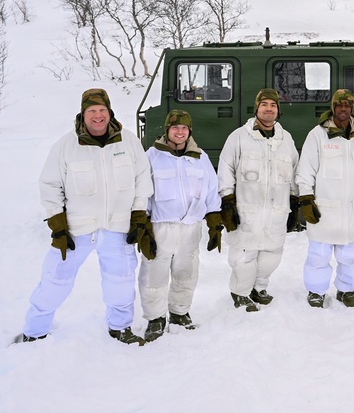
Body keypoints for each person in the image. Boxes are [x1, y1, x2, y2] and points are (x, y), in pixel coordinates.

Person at [19, 88, 154, 345]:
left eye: (102, 110)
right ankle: (34, 330)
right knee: (55, 279)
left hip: (118, 227)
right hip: (76, 230)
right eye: (92, 111)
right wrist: (58, 226)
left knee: (121, 281)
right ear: (83, 114)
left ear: (109, 112)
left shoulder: (128, 142)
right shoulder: (66, 145)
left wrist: (138, 216)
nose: (98, 115)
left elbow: (141, 180)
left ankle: (120, 327)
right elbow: (50, 185)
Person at [138, 110, 223, 341]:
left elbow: (211, 189)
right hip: (160, 227)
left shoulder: (200, 157)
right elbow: (142, 192)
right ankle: (155, 318)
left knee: (186, 273)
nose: (179, 132)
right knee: (154, 275)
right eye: (175, 127)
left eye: (184, 128)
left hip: (190, 227)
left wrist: (214, 220)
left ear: (189, 131)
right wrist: (142, 225)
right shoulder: (151, 157)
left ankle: (179, 313)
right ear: (167, 130)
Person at [217, 88, 299, 312]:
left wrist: (295, 200)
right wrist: (227, 201)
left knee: (271, 255)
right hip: (247, 211)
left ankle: (259, 287)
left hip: (276, 211)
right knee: (244, 257)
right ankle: (240, 292)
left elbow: (293, 170)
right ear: (257, 108)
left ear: (278, 111)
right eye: (265, 105)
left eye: (273, 106)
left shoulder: (286, 140)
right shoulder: (239, 137)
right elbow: (226, 170)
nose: (269, 109)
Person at [297, 89, 354, 308]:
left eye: (348, 105)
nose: (344, 109)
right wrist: (305, 197)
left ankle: (346, 290)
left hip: (351, 209)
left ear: (352, 108)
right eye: (339, 105)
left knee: (349, 254)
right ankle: (316, 292)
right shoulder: (317, 134)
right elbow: (306, 170)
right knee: (319, 255)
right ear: (333, 108)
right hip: (325, 208)